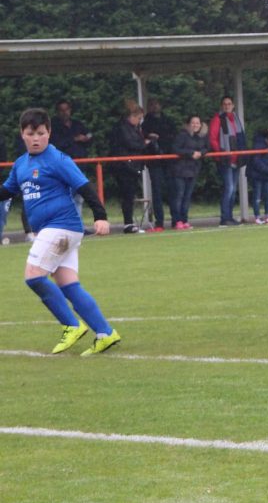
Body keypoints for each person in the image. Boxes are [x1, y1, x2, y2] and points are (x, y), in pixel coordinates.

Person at [0, 107, 120, 355]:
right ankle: (105, 333)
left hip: (61, 227)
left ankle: (71, 326)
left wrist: (101, 216)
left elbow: (84, 187)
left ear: (49, 132)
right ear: (22, 134)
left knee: (33, 276)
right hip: (56, 231)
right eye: (31, 133)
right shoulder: (21, 164)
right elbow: (7, 191)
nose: (36, 138)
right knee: (68, 284)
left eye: (41, 133)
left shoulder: (57, 159)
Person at [109, 102, 155, 233]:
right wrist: (144, 143)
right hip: (125, 166)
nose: (139, 121)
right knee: (127, 195)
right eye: (138, 118)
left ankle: (129, 223)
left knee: (130, 195)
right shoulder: (122, 128)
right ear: (132, 116)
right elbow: (130, 143)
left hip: (133, 165)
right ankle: (128, 223)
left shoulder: (134, 128)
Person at [50, 98, 93, 218]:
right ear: (57, 111)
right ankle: (64, 222)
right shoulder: (53, 126)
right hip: (63, 167)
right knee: (65, 196)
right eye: (62, 110)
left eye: (67, 109)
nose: (65, 112)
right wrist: (74, 139)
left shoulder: (77, 124)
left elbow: (90, 135)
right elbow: (55, 143)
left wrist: (86, 138)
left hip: (80, 166)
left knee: (79, 197)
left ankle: (77, 224)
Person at [208, 95, 247, 226]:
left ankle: (229, 216)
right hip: (225, 159)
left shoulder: (236, 119)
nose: (227, 106)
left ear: (233, 105)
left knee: (233, 189)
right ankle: (225, 217)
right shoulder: (217, 119)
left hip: (236, 158)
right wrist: (221, 152)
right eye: (224, 104)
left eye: (229, 104)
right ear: (221, 106)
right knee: (229, 188)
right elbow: (213, 138)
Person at [141, 98, 177, 232]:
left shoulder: (168, 121)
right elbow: (143, 141)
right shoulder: (145, 124)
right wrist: (151, 139)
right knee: (157, 191)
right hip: (154, 162)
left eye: (157, 104)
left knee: (172, 190)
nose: (155, 107)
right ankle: (159, 222)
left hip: (168, 160)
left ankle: (176, 219)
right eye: (152, 105)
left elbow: (173, 137)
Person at [170, 115, 207, 230]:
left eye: (197, 123)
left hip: (192, 170)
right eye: (193, 123)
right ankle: (177, 220)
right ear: (188, 124)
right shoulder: (182, 135)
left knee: (187, 197)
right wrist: (190, 153)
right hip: (180, 170)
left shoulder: (199, 137)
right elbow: (175, 149)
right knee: (179, 196)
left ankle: (184, 219)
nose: (195, 125)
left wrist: (201, 153)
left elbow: (206, 147)